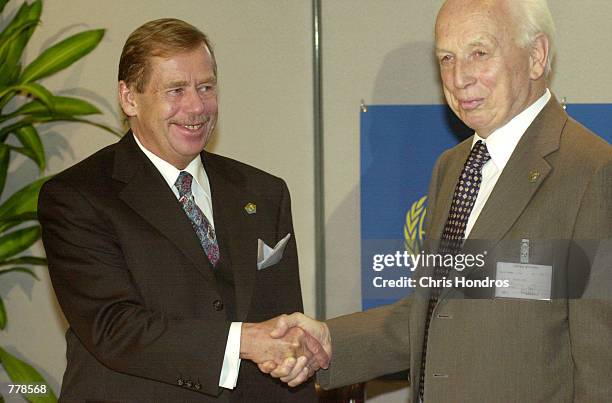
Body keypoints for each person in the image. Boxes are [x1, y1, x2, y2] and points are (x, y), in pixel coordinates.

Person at [264, 1, 612, 402]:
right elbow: (439, 307)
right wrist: (329, 341)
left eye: (479, 53)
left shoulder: (592, 174)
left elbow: (602, 366)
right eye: (446, 58)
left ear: (536, 57)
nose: (459, 77)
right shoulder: (453, 166)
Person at [38, 18, 325, 402]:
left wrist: (295, 359)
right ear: (129, 98)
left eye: (205, 87)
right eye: (175, 90)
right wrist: (242, 341)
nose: (196, 106)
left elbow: (283, 332)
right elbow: (114, 328)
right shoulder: (78, 196)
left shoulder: (264, 192)